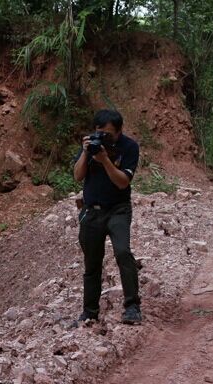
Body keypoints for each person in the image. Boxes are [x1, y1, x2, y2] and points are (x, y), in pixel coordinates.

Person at [71, 109, 141, 327]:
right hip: (92, 211)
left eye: (108, 134)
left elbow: (122, 182)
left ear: (119, 132)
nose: (102, 138)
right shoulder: (92, 145)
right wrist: (86, 153)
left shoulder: (129, 147)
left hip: (118, 209)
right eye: (99, 132)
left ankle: (132, 307)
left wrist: (105, 161)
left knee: (122, 252)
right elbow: (77, 176)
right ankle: (90, 312)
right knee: (92, 263)